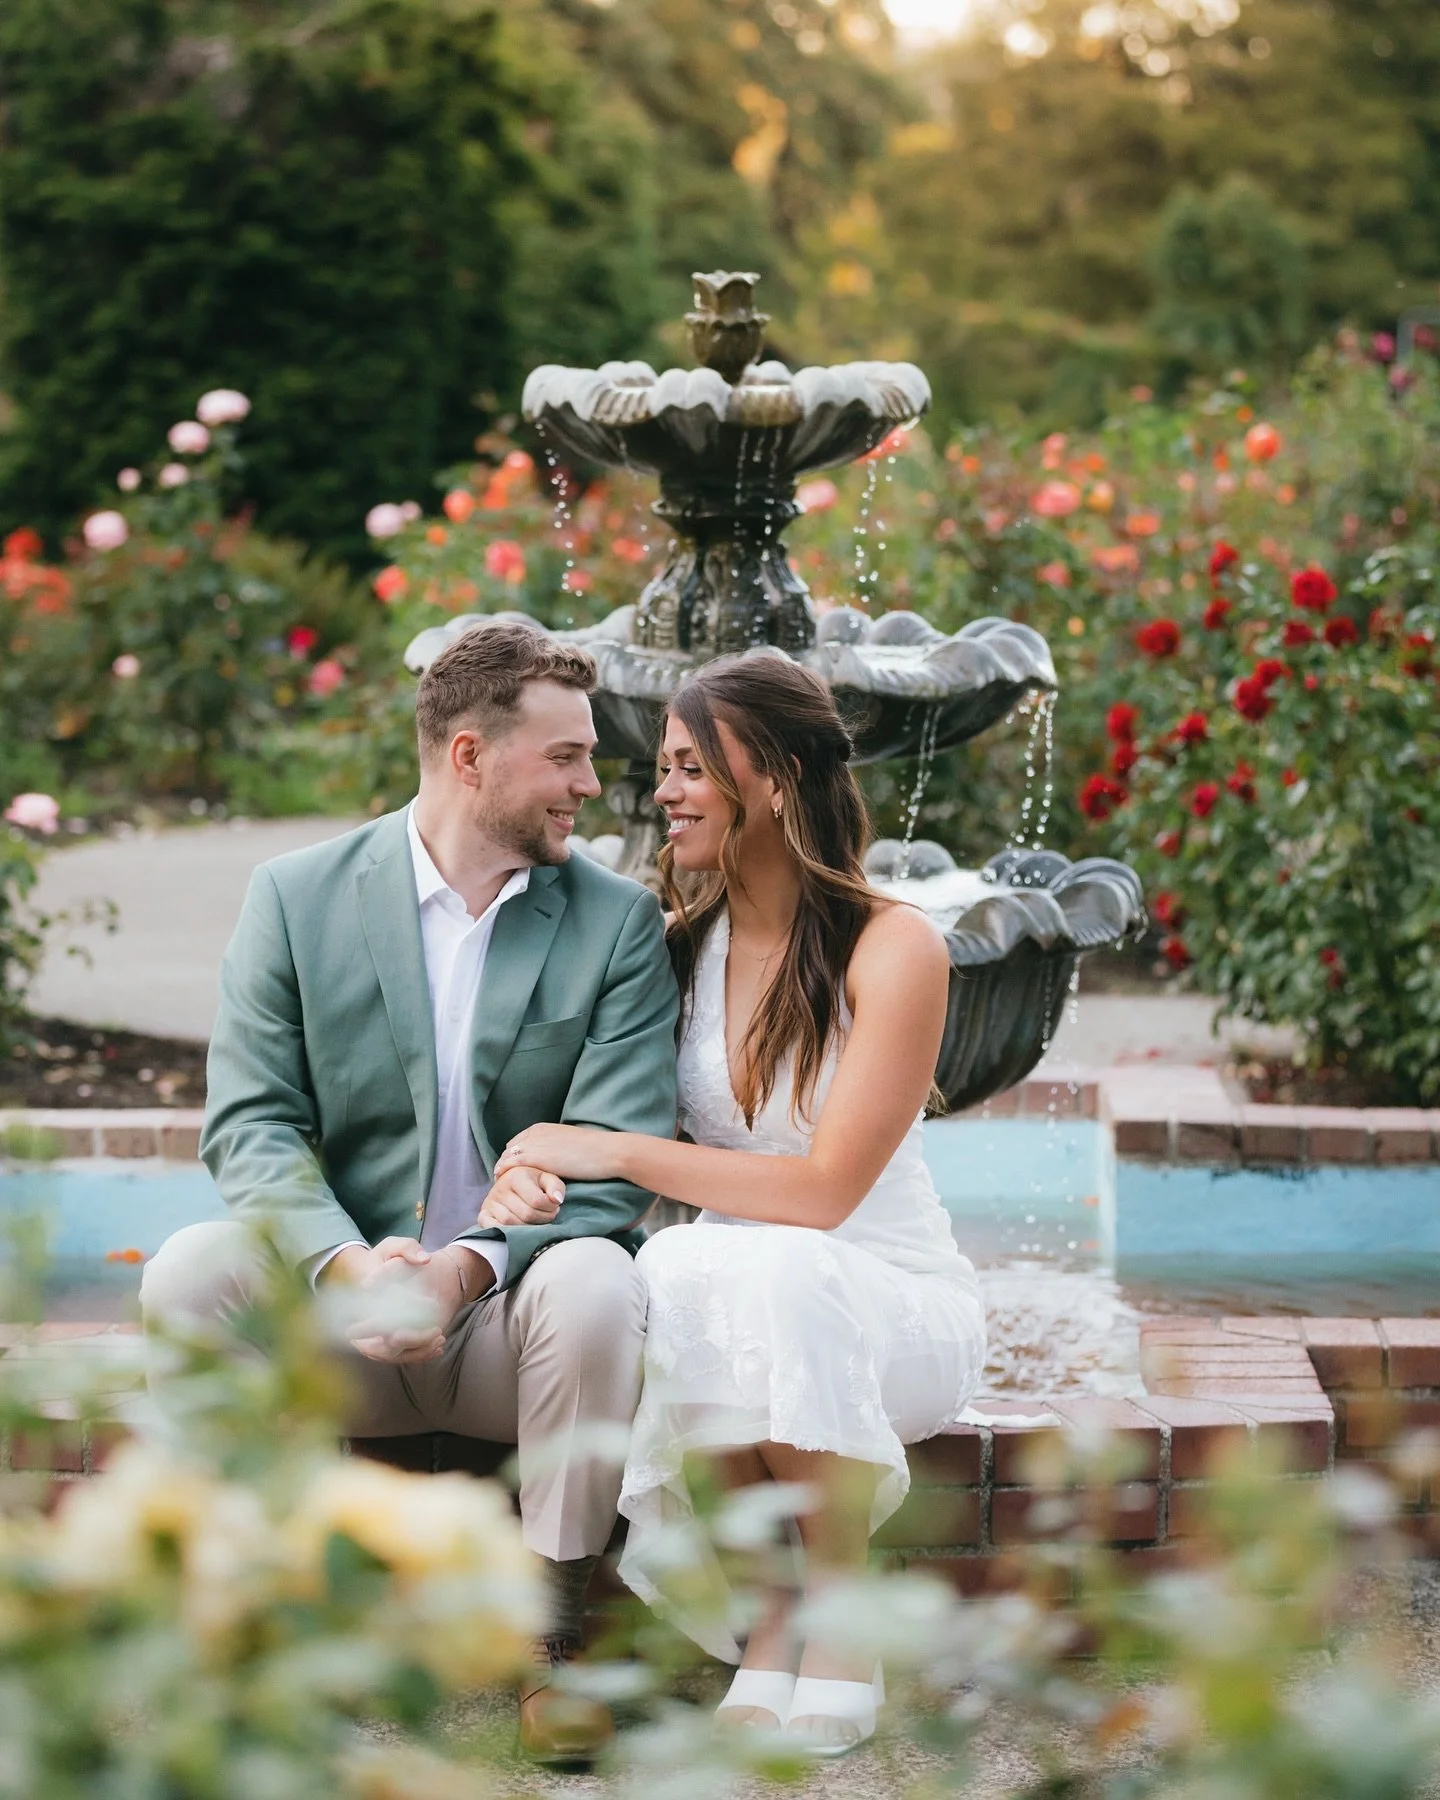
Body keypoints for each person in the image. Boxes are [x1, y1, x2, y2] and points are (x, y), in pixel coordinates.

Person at [139, 620, 679, 1765]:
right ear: (471, 756)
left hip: (513, 1328)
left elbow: (617, 1149)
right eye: (566, 757)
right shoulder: (294, 897)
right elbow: (251, 1125)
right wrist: (351, 1265)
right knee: (192, 1271)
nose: (592, 784)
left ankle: (552, 1638)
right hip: (344, 1324)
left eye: (591, 757)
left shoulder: (616, 922)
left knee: (596, 1279)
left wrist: (463, 1265)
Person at [495, 649, 987, 1758]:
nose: (662, 792)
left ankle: (842, 1620)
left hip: (890, 1305)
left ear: (771, 774)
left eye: (688, 767)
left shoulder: (892, 944)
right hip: (743, 1301)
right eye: (662, 768)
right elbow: (595, 1127)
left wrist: (611, 1146)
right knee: (676, 1267)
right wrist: (536, 1166)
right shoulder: (676, 952)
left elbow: (823, 1195)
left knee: (774, 1260)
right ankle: (776, 1621)